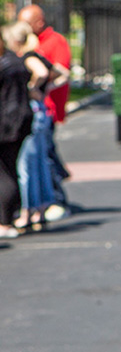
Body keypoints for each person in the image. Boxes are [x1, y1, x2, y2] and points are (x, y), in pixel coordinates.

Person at [2, 21, 69, 231]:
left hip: (27, 115)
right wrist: (45, 89)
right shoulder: (33, 55)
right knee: (38, 163)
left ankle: (28, 211)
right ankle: (40, 208)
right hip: (38, 113)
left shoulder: (26, 58)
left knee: (25, 168)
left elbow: (43, 72)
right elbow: (61, 73)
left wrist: (33, 88)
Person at [17, 4, 72, 217]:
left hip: (46, 107)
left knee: (44, 156)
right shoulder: (31, 42)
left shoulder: (54, 41)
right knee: (45, 154)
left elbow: (61, 71)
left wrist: (40, 88)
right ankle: (51, 198)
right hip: (39, 107)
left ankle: (56, 200)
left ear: (39, 22)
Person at [0, 29, 33, 239]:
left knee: (4, 171)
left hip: (6, 123)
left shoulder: (5, 64)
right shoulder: (15, 61)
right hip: (19, 120)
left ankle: (4, 221)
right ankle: (11, 216)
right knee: (10, 168)